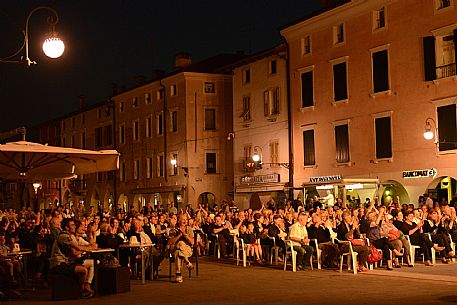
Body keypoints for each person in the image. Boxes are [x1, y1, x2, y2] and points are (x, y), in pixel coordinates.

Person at [49, 218, 96, 298]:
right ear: (67, 228)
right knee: (83, 269)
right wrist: (90, 247)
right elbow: (78, 248)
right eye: (72, 225)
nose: (75, 227)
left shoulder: (68, 236)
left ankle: (83, 288)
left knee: (88, 264)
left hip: (65, 262)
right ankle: (82, 291)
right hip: (58, 264)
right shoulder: (63, 236)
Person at [167, 213, 194, 283]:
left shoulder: (189, 229)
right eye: (182, 219)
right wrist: (179, 235)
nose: (184, 221)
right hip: (174, 248)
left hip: (187, 249)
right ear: (179, 221)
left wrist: (184, 234)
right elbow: (169, 242)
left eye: (186, 219)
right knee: (179, 245)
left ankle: (178, 274)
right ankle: (187, 261)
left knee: (178, 251)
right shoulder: (173, 230)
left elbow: (192, 242)